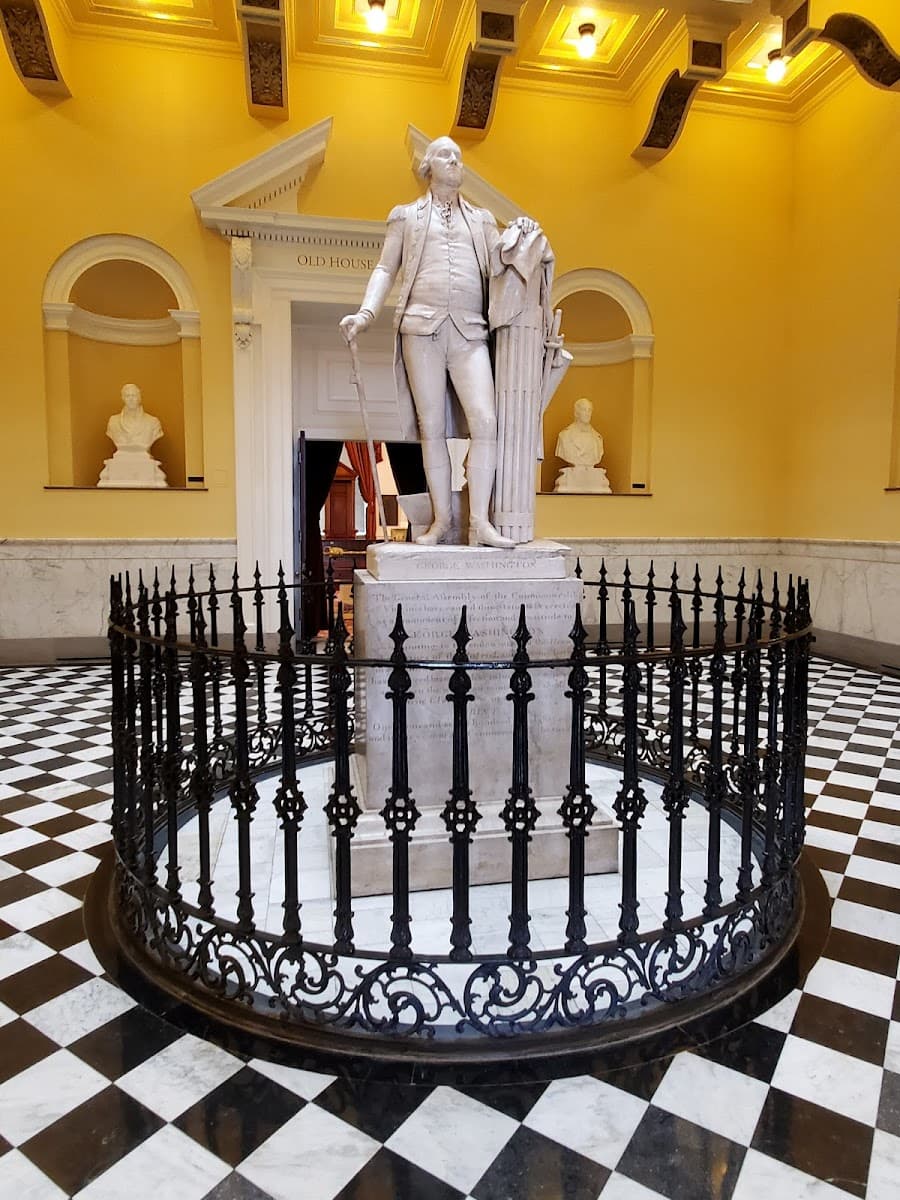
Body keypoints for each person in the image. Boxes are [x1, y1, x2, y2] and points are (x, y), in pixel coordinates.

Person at [340, 136, 539, 548]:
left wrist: (523, 234)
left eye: (459, 157)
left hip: (470, 332)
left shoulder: (482, 220)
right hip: (421, 329)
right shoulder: (406, 216)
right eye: (446, 155)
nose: (456, 162)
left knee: (486, 421)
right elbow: (384, 268)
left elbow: (503, 263)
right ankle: (442, 521)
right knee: (431, 428)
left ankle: (479, 523)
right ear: (427, 166)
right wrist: (365, 313)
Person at [105, 383, 163, 451]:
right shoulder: (113, 421)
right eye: (127, 396)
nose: (131, 399)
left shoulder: (153, 422)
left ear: (139, 398)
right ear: (123, 398)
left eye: (134, 395)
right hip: (120, 458)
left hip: (144, 459)